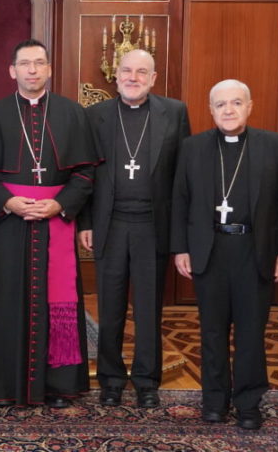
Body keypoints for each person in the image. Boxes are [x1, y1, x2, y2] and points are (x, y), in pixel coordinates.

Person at [0, 39, 99, 408]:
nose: (32, 70)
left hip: (56, 222)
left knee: (58, 302)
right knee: (4, 301)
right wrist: (7, 201)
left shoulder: (73, 114)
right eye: (25, 63)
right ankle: (2, 386)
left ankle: (58, 386)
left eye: (39, 63)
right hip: (7, 225)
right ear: (12, 70)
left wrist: (59, 204)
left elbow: (86, 173)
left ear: (49, 69)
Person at [171, 79, 278, 430]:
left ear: (249, 106)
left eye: (236, 103)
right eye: (220, 104)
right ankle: (214, 401)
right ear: (210, 110)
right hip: (210, 250)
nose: (228, 110)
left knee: (251, 332)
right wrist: (181, 247)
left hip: (254, 250)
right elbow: (180, 199)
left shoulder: (275, 145)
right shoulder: (193, 147)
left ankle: (248, 403)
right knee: (212, 332)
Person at [77, 48, 190, 408]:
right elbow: (84, 173)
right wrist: (86, 222)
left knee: (148, 309)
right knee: (110, 308)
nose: (133, 77)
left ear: (153, 78)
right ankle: (111, 380)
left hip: (152, 226)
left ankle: (146, 381)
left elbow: (183, 177)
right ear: (116, 75)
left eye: (142, 72)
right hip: (110, 224)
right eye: (127, 70)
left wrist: (181, 236)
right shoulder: (95, 115)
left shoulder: (174, 112)